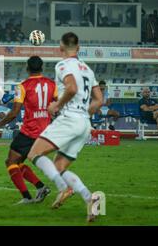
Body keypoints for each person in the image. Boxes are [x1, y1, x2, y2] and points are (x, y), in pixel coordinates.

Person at [26, 32, 103, 222]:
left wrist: (56, 105)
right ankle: (90, 198)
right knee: (59, 166)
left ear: (60, 48)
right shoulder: (87, 69)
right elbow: (99, 100)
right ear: (78, 48)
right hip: (84, 123)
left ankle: (62, 188)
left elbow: (72, 88)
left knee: (34, 154)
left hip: (69, 119)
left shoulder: (62, 65)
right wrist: (84, 114)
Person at [0, 56, 55, 204]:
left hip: (29, 132)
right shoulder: (52, 85)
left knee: (10, 161)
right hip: (44, 133)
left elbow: (13, 113)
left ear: (27, 68)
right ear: (42, 68)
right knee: (19, 163)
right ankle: (40, 187)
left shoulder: (22, 86)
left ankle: (26, 196)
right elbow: (57, 107)